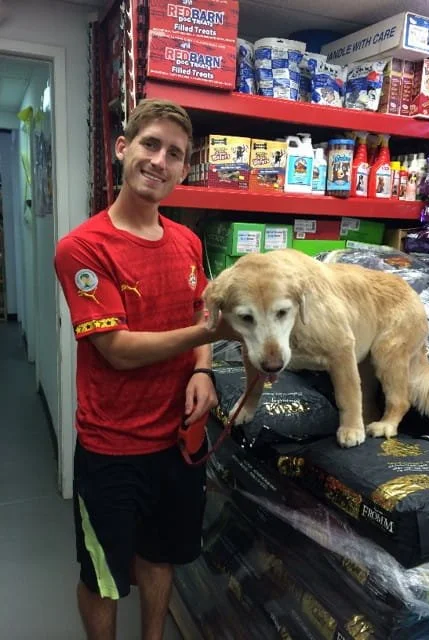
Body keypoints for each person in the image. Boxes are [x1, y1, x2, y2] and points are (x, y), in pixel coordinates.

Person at [54, 98, 234, 640]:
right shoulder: (82, 249)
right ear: (122, 149)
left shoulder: (189, 242)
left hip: (177, 446)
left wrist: (203, 368)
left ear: (184, 168)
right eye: (150, 144)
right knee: (105, 576)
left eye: (174, 153)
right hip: (112, 449)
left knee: (161, 557)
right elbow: (117, 349)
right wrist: (210, 337)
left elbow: (199, 312)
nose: (159, 160)